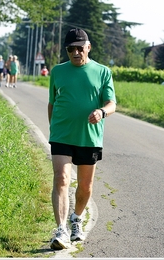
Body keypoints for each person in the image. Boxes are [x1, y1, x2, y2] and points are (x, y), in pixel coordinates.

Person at [47, 28, 117, 250]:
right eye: (71, 49)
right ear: (66, 51)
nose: (76, 52)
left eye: (80, 48)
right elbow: (52, 103)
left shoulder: (103, 71)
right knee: (61, 179)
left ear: (88, 47)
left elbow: (111, 103)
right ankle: (61, 230)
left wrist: (102, 112)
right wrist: (55, 130)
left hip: (89, 137)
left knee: (85, 187)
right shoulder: (58, 72)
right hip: (62, 136)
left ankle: (76, 219)